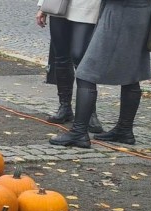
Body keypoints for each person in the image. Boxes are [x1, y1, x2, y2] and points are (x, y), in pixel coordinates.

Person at [49, 0, 151, 148]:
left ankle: (79, 132)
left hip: (119, 11)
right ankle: (124, 130)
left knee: (86, 72)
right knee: (132, 72)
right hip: (142, 11)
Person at [36, 0, 103, 133]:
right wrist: (42, 6)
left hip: (87, 7)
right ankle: (65, 106)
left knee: (81, 58)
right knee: (60, 57)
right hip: (59, 6)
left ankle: (89, 112)